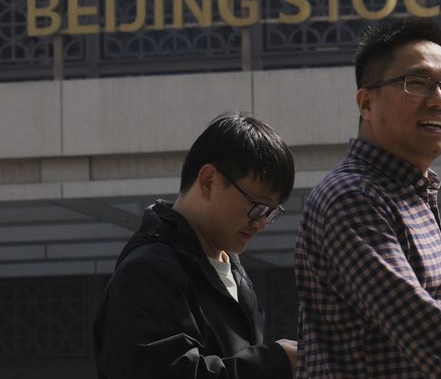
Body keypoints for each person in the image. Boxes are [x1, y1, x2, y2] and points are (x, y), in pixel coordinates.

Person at [294, 18, 441, 378]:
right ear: (366, 103)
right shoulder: (352, 197)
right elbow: (422, 330)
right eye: (417, 84)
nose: (439, 101)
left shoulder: (411, 191)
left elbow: (393, 329)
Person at [93, 112, 298, 379]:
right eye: (257, 207)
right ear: (208, 181)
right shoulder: (149, 271)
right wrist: (274, 363)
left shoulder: (231, 268)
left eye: (270, 213)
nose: (260, 223)